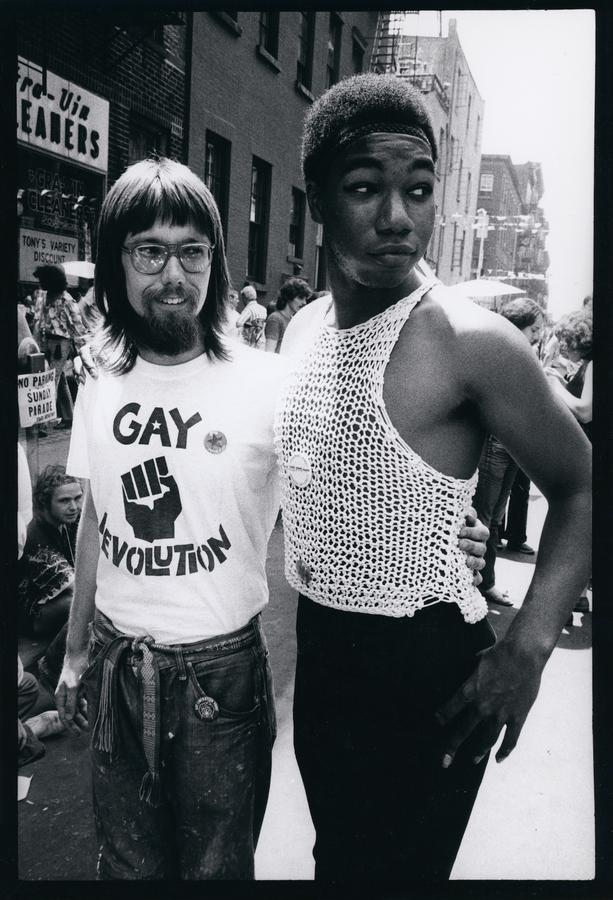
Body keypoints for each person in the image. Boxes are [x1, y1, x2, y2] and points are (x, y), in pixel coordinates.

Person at [57, 156, 487, 881]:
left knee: (217, 871)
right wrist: (73, 656)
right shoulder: (100, 373)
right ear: (117, 262)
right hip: (115, 668)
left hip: (217, 683)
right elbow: (96, 511)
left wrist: (451, 533)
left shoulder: (268, 382)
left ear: (214, 260)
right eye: (149, 252)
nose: (173, 275)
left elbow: (355, 485)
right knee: (123, 869)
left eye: (192, 251)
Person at [275, 73, 591, 881]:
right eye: (363, 188)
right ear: (317, 199)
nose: (396, 217)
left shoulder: (470, 339)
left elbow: (583, 486)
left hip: (426, 672)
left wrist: (528, 645)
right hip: (321, 655)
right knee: (336, 862)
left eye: (417, 190)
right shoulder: (303, 328)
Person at [472, 298, 545, 607]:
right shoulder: (500, 353)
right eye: (534, 329)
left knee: (494, 517)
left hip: (510, 445)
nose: (538, 335)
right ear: (518, 327)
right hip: (495, 444)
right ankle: (481, 584)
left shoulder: (522, 353)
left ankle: (483, 582)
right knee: (486, 518)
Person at [18, 465, 82, 639]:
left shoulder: (68, 519)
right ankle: (49, 664)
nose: (74, 507)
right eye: (64, 500)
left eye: (77, 498)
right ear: (44, 502)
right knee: (83, 602)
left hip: (58, 600)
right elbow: (74, 588)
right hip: (32, 617)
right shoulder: (36, 537)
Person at [33, 264, 86, 428]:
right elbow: (38, 320)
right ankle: (69, 416)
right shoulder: (43, 296)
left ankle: (41, 423)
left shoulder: (67, 299)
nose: (41, 283)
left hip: (60, 344)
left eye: (43, 280)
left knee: (50, 380)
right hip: (45, 341)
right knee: (59, 379)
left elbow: (77, 327)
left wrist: (82, 349)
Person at [264, 277, 312, 353]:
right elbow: (269, 352)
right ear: (289, 296)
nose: (304, 302)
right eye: (300, 298)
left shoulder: (293, 320)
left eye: (305, 299)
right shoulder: (275, 319)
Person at [236, 283, 267, 348]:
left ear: (245, 297)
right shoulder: (263, 309)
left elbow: (238, 323)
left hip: (249, 344)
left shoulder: (249, 309)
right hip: (261, 343)